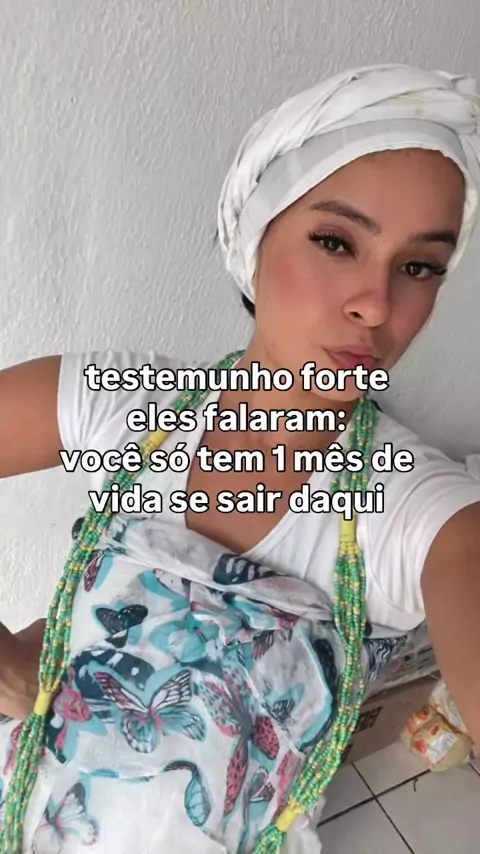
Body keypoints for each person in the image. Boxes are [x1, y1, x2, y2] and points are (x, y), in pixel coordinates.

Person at [1, 63, 480, 854]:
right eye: (336, 242)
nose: (377, 304)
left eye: (419, 265)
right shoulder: (129, 404)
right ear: (253, 241)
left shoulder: (413, 506)